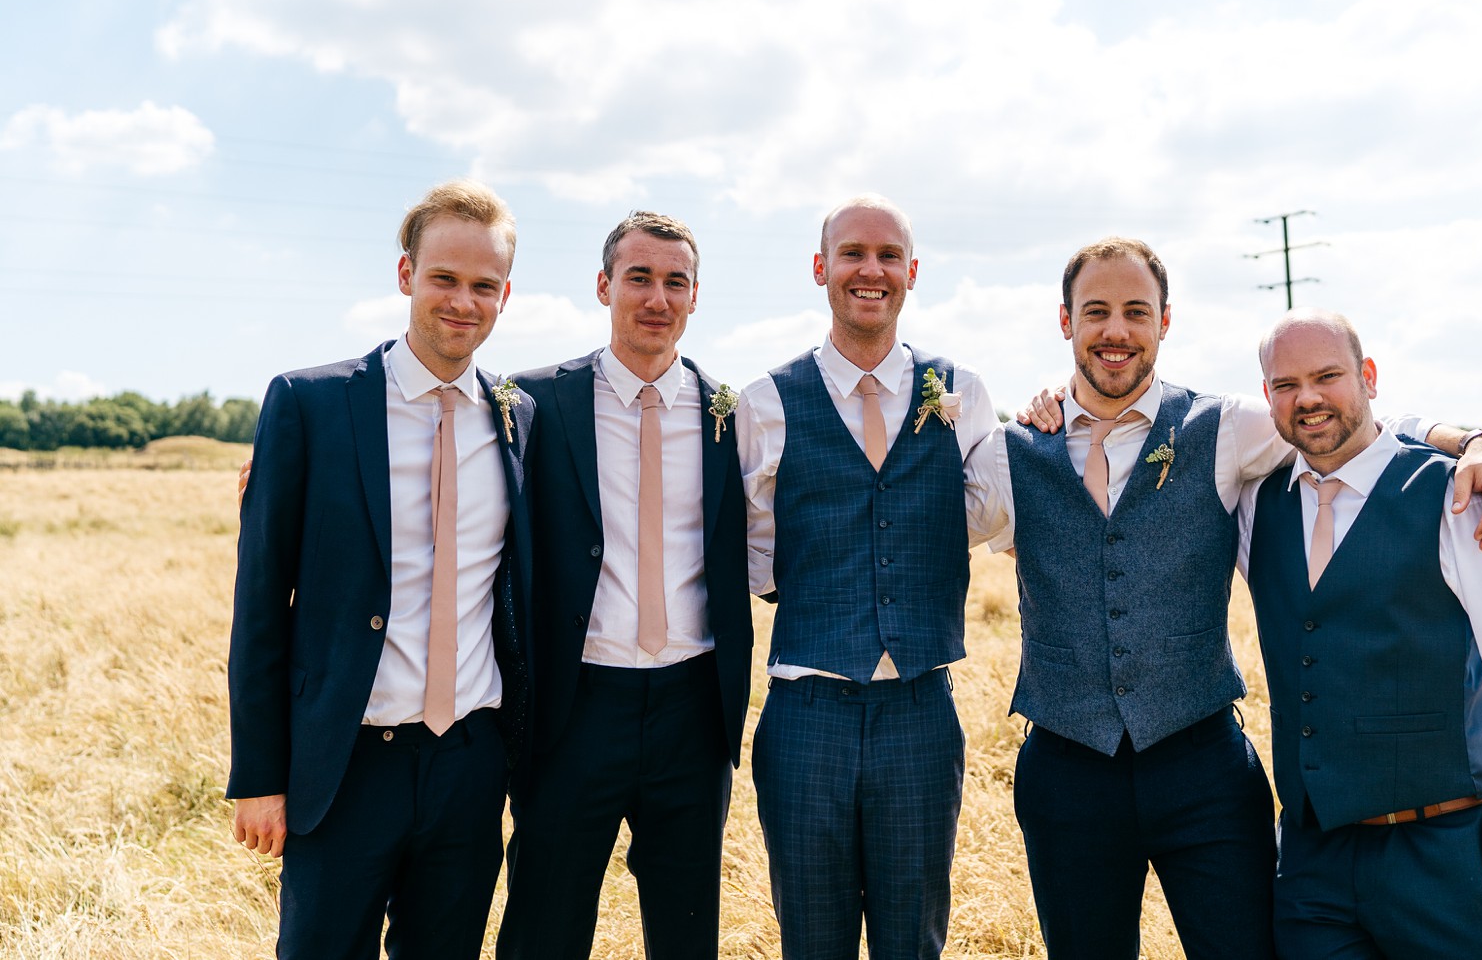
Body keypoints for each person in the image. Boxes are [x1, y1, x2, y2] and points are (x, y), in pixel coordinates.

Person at [975, 236, 1482, 959]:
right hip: (1066, 771)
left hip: (1201, 767)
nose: (1117, 330)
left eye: (1136, 311)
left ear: (1164, 322)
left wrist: (1474, 441)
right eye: (1097, 311)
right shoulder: (1011, 450)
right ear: (1065, 320)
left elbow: (1342, 414)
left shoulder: (1228, 427)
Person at [227, 180, 534, 959]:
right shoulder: (309, 404)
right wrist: (260, 775)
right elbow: (260, 600)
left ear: (505, 295)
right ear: (406, 275)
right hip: (346, 764)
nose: (463, 301)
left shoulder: (520, 417)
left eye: (483, 286)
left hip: (469, 764)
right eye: (444, 278)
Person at [1240, 308, 1482, 958]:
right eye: (1286, 384)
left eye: (1328, 376)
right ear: (1266, 396)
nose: (1309, 397)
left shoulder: (1451, 494)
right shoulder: (1255, 504)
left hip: (1445, 862)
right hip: (1311, 868)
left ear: (1369, 376)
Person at [736, 194, 1000, 960]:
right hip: (805, 713)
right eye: (852, 253)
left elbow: (986, 518)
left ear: (911, 272)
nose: (870, 269)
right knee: (811, 942)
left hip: (921, 711)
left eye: (888, 255)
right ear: (822, 268)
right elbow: (755, 556)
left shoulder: (963, 391)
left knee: (913, 940)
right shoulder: (765, 403)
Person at [496, 212, 752, 960]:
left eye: (676, 282)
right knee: (545, 924)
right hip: (574, 706)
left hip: (692, 708)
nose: (657, 297)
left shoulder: (730, 414)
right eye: (639, 277)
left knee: (686, 932)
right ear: (604, 285)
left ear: (696, 297)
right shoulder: (533, 402)